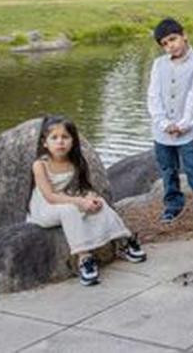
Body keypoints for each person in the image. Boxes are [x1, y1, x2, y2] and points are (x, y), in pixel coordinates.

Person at [27, 116, 145, 287]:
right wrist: (79, 202)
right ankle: (84, 258)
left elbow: (81, 188)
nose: (60, 142)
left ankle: (124, 240)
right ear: (45, 143)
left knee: (99, 204)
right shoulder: (40, 165)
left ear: (73, 141)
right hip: (44, 208)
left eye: (65, 137)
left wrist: (89, 198)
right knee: (70, 210)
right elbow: (50, 196)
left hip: (66, 200)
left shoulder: (75, 162)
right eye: (54, 138)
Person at [147, 18, 193, 233]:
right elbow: (153, 95)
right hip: (162, 130)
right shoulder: (158, 64)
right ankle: (173, 205)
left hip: (187, 131)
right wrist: (162, 122)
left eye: (173, 39)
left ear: (184, 35)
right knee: (167, 170)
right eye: (165, 43)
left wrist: (184, 124)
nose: (171, 45)